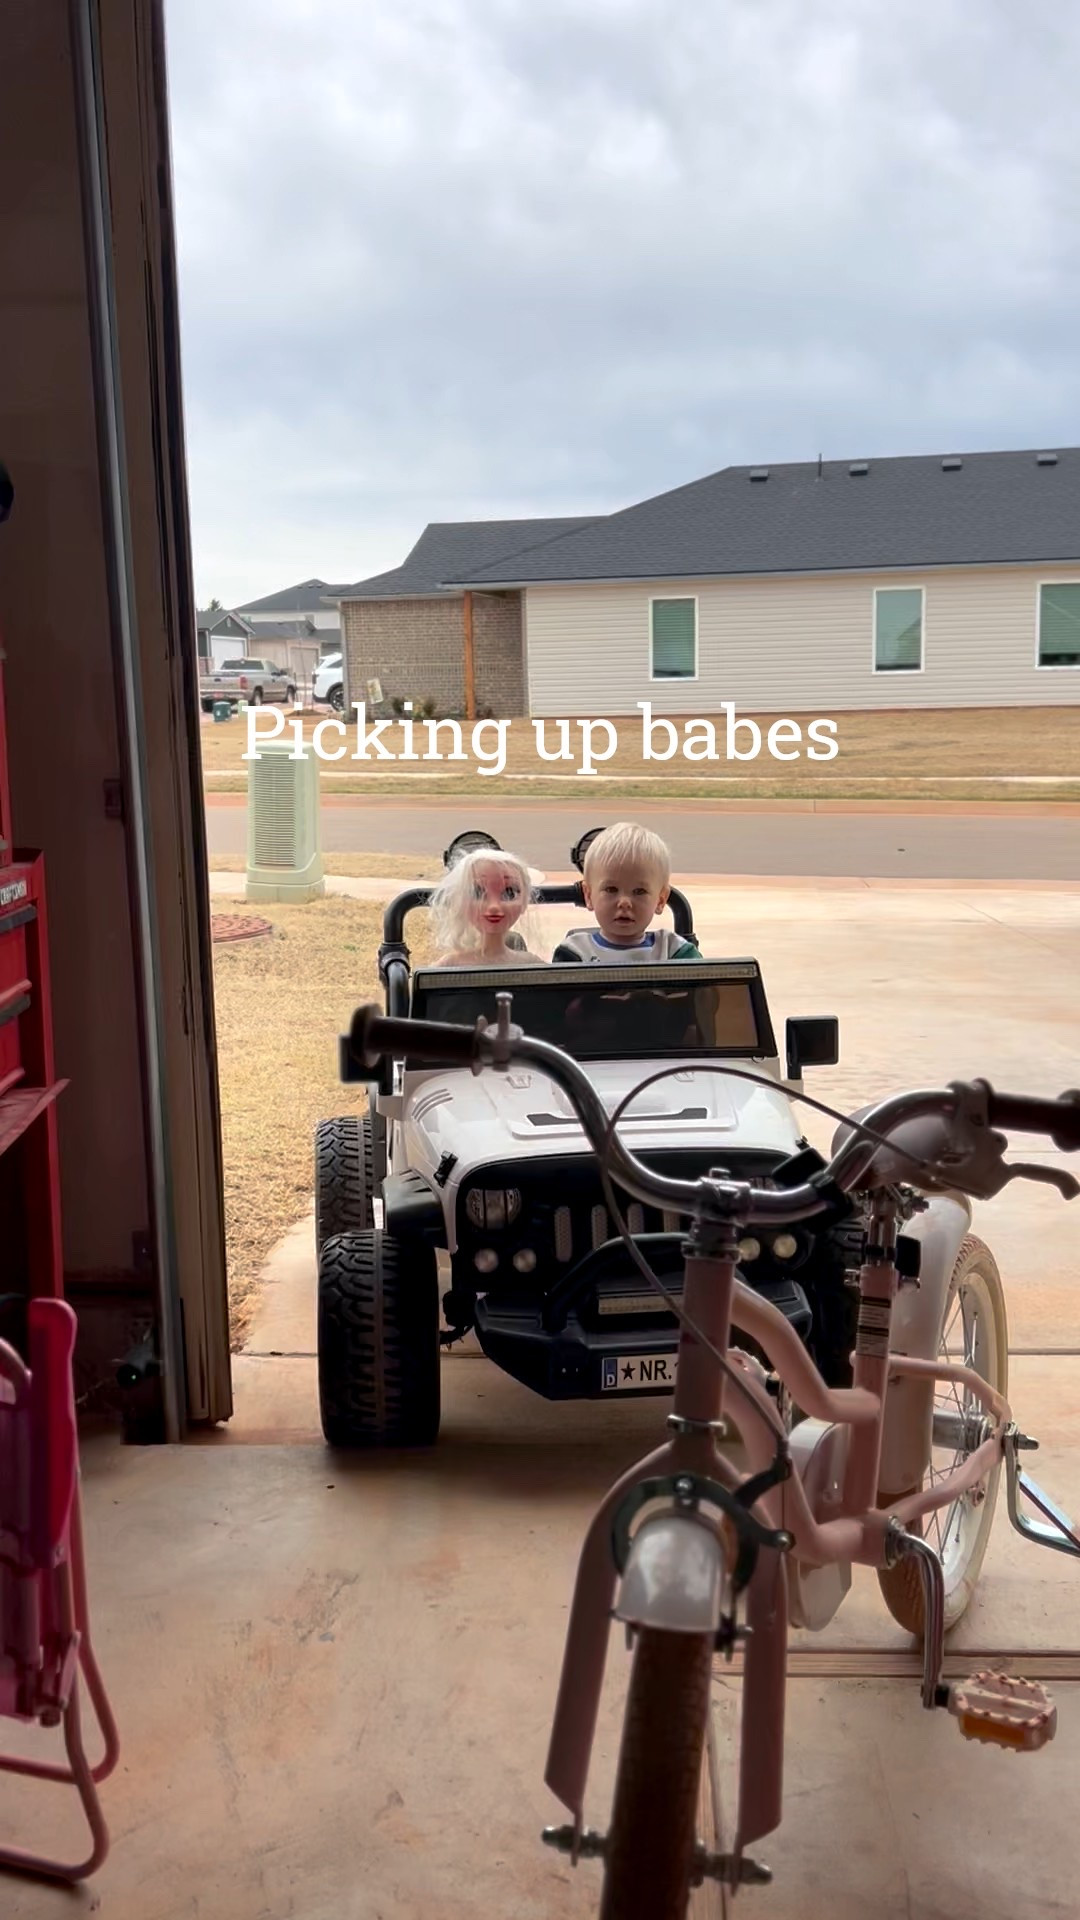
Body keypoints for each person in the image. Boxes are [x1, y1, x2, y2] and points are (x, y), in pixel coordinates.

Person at [552, 821, 702, 963]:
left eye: (639, 891)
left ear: (661, 900)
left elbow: (707, 988)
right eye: (611, 889)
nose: (624, 902)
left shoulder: (674, 951)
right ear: (588, 895)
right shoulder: (575, 953)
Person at [429, 848, 546, 967]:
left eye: (509, 893)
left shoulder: (530, 963)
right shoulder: (449, 966)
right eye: (478, 893)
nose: (494, 906)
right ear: (460, 901)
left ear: (525, 902)